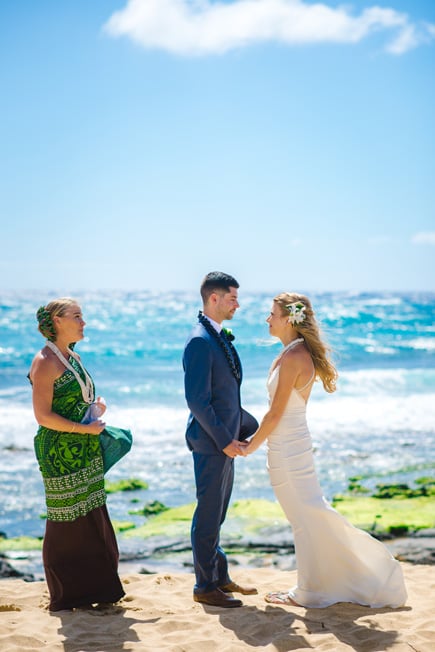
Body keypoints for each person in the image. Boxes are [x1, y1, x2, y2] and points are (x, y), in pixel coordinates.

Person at [243, 292, 407, 608]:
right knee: (306, 515)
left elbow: (275, 413)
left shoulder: (293, 357)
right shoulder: (290, 353)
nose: (268, 319)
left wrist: (250, 445)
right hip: (288, 444)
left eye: (273, 314)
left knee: (307, 516)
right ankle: (322, 584)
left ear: (289, 318)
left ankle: (313, 590)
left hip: (289, 448)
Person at [28, 298, 125, 611]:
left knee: (90, 513)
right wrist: (85, 430)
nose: (84, 322)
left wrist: (94, 409)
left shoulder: (72, 357)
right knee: (65, 519)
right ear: (57, 321)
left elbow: (74, 402)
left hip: (84, 448)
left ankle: (99, 589)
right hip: (58, 451)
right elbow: (43, 417)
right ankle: (66, 594)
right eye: (77, 316)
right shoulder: (45, 361)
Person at [183, 272, 259, 608]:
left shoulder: (216, 335)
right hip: (212, 442)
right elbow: (198, 401)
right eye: (232, 298)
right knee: (209, 513)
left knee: (219, 513)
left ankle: (220, 576)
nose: (237, 305)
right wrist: (225, 440)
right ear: (214, 298)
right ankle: (205, 586)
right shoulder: (200, 340)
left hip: (225, 438)